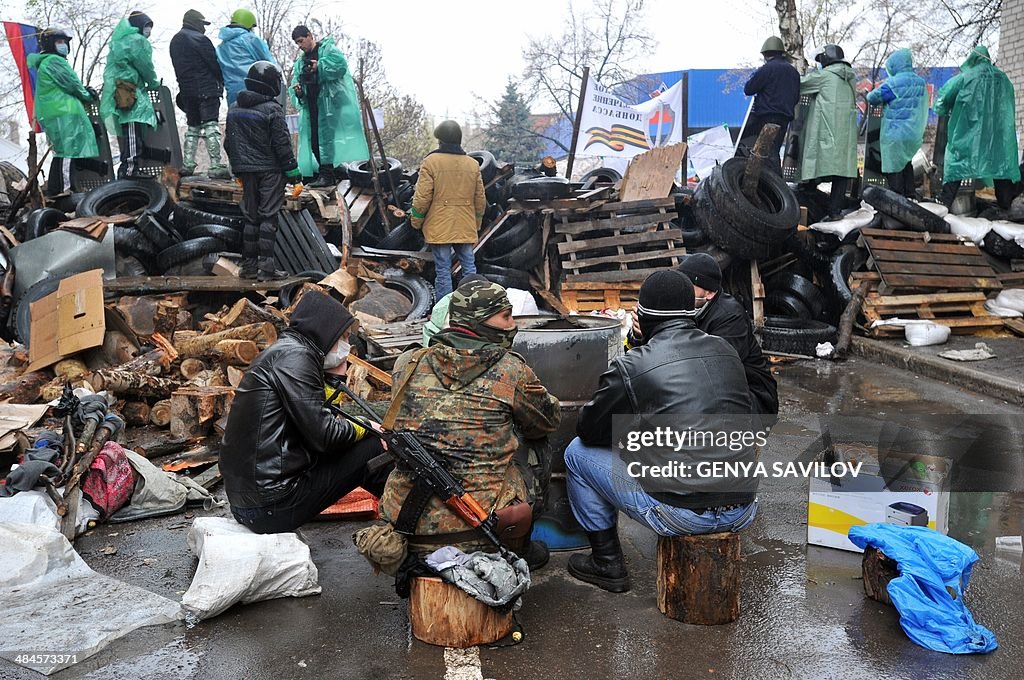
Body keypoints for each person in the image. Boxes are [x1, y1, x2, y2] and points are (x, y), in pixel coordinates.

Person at [565, 270, 758, 593]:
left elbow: (589, 430)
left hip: (682, 514)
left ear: (640, 316)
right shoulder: (725, 350)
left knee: (576, 453)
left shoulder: (634, 364)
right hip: (743, 507)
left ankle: (606, 563)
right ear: (693, 311)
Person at [379, 279, 561, 565]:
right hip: (482, 528)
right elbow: (548, 421)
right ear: (480, 322)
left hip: (407, 527)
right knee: (537, 443)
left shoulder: (408, 363)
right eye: (505, 316)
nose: (512, 323)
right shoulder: (511, 370)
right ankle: (519, 544)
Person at [221, 288, 391, 534]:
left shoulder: (286, 352)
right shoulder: (296, 359)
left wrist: (333, 379)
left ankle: (396, 513)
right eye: (342, 337)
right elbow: (326, 436)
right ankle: (407, 519)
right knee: (373, 446)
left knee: (362, 447)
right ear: (325, 332)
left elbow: (316, 422)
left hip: (253, 501)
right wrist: (364, 425)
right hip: (271, 506)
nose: (346, 346)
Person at [628, 253, 778, 419]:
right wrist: (640, 334)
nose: (681, 289)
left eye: (689, 285)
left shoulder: (730, 317)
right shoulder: (684, 308)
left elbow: (712, 372)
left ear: (710, 293)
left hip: (752, 399)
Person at [224, 61, 299, 280]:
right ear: (270, 84)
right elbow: (282, 144)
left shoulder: (234, 108)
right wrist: (293, 171)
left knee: (251, 217)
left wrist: (237, 169)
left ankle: (248, 267)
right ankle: (267, 268)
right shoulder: (273, 109)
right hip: (270, 170)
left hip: (245, 170)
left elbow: (229, 143)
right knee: (268, 217)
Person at [935, 45, 1021, 210]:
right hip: (997, 136)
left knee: (957, 161)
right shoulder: (1004, 79)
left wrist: (947, 109)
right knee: (1000, 166)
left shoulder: (965, 77)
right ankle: (1005, 203)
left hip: (968, 134)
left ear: (972, 59)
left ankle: (944, 202)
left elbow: (942, 101)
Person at [410, 120, 486, 300]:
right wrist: (476, 222)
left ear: (441, 141)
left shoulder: (431, 162)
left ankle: (443, 312)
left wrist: (416, 220)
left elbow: (422, 197)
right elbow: (480, 199)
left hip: (440, 225)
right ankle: (474, 306)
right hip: (465, 224)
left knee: (443, 271)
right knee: (469, 268)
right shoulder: (472, 164)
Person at [290, 25, 368, 187]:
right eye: (297, 43)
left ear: (310, 36)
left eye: (301, 41)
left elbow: (340, 66)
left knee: (326, 139)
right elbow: (297, 81)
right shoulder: (300, 62)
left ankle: (327, 174)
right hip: (311, 105)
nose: (300, 46)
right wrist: (298, 92)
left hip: (329, 105)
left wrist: (320, 66)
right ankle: (331, 170)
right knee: (314, 141)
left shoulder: (327, 50)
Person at [28, 28, 100, 196]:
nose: (64, 46)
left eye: (65, 42)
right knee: (69, 151)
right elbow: (73, 85)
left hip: (54, 113)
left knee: (61, 152)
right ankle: (64, 190)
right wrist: (88, 94)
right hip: (63, 112)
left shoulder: (46, 62)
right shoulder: (54, 61)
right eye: (59, 42)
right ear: (49, 44)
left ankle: (56, 189)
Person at [798, 44, 858, 220]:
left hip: (825, 131)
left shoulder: (824, 76)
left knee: (815, 163)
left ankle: (806, 200)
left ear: (826, 59)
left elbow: (800, 85)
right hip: (845, 135)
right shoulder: (850, 78)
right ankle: (835, 212)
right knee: (842, 170)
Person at [100, 11, 160, 179]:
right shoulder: (137, 41)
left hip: (120, 88)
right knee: (133, 128)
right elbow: (145, 65)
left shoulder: (119, 41)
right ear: (139, 26)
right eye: (147, 26)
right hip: (130, 89)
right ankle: (130, 170)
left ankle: (128, 168)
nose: (148, 31)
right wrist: (154, 83)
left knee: (130, 129)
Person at [169, 10, 229, 179]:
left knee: (192, 128)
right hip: (207, 89)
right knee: (211, 126)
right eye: (202, 24)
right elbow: (214, 64)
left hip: (187, 91)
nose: (204, 28)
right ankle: (216, 164)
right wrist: (220, 82)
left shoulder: (175, 41)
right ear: (195, 22)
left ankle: (188, 164)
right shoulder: (200, 40)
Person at [865, 48, 928, 198]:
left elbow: (872, 98)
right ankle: (911, 196)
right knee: (906, 164)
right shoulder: (921, 83)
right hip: (913, 134)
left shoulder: (893, 83)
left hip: (895, 133)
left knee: (894, 167)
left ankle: (897, 201)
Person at [738, 36, 800, 173]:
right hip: (785, 117)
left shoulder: (767, 69)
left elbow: (749, 89)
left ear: (765, 54)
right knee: (774, 149)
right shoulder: (793, 72)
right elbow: (796, 97)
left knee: (768, 152)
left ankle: (775, 183)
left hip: (766, 117)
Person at [216, 8, 275, 109]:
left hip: (233, 95)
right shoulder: (251, 39)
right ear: (248, 24)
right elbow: (270, 64)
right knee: (257, 122)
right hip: (254, 92)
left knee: (237, 122)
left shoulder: (220, 47)